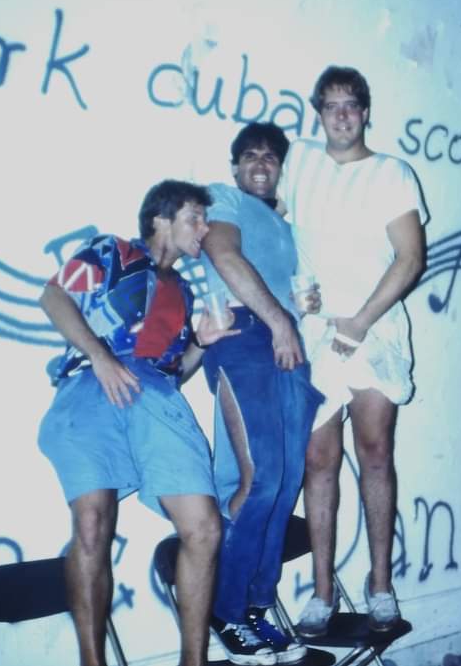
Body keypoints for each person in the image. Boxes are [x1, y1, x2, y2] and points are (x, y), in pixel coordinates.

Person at [37, 180, 237, 666]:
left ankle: (194, 661)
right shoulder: (112, 251)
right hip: (93, 383)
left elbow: (176, 373)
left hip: (154, 393)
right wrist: (101, 357)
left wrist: (202, 344)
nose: (204, 229)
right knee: (91, 523)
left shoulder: (185, 291)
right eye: (195, 217)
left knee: (205, 528)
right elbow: (53, 298)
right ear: (160, 219)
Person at [277, 66, 428, 635]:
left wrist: (362, 321)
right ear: (317, 111)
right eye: (331, 105)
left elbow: (410, 258)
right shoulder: (300, 164)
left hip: (373, 330)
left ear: (366, 111)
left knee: (376, 454)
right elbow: (272, 231)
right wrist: (295, 289)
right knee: (318, 461)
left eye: (352, 105)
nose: (341, 115)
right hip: (316, 335)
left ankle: (381, 583)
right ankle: (322, 592)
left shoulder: (392, 174)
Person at [198, 123, 324, 664]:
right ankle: (223, 611)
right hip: (249, 336)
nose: (261, 163)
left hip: (288, 341)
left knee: (288, 479)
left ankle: (254, 606)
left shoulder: (287, 225)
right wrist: (278, 320)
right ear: (234, 167)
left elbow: (295, 290)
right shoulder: (223, 199)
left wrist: (303, 308)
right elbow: (224, 256)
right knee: (262, 478)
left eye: (271, 158)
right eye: (250, 155)